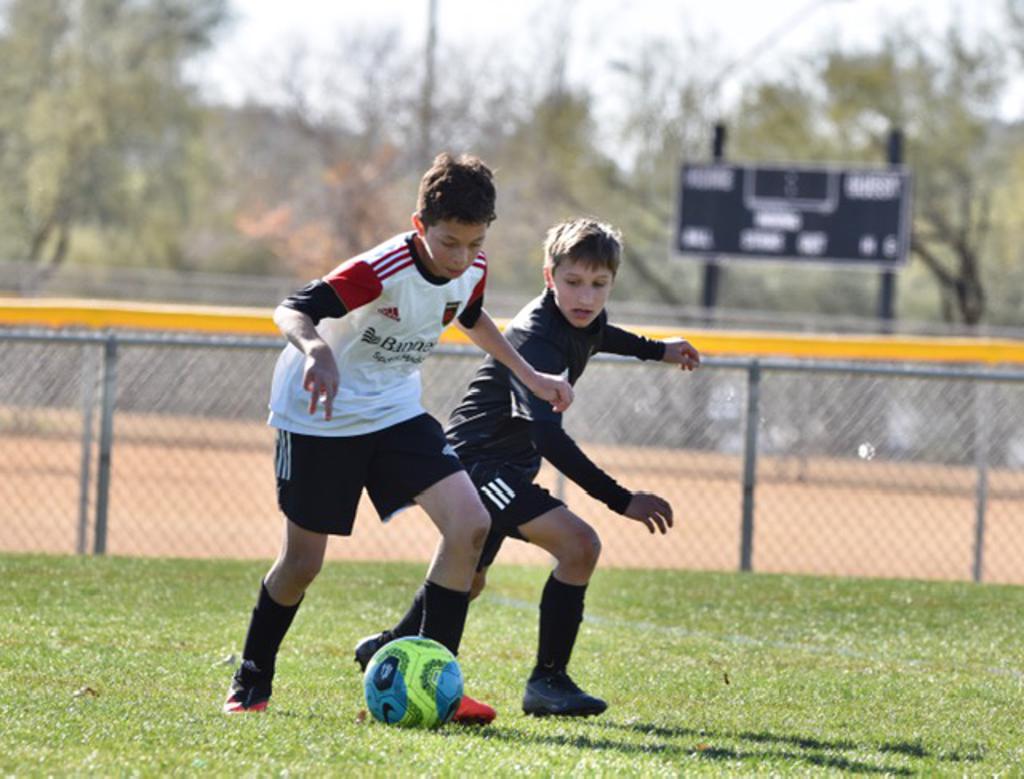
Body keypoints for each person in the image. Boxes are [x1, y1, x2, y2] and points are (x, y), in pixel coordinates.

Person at [223, 153, 574, 723]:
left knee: (472, 524)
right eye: (449, 242)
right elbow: (293, 310)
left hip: (392, 411)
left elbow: (472, 314)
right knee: (302, 564)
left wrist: (530, 375)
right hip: (320, 415)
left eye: (474, 242)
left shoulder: (471, 265)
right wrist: (316, 352)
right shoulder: (381, 269)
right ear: (420, 225)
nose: (462, 256)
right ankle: (253, 677)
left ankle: (440, 684)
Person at [354, 217, 700, 718]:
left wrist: (658, 350)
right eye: (573, 282)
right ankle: (547, 682)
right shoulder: (539, 337)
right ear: (549, 277)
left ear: (611, 283)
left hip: (502, 467)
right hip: (479, 463)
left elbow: (603, 335)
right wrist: (621, 499)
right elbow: (547, 437)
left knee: (468, 581)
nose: (586, 296)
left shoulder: (581, 319)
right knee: (580, 545)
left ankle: (388, 647)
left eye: (599, 284)